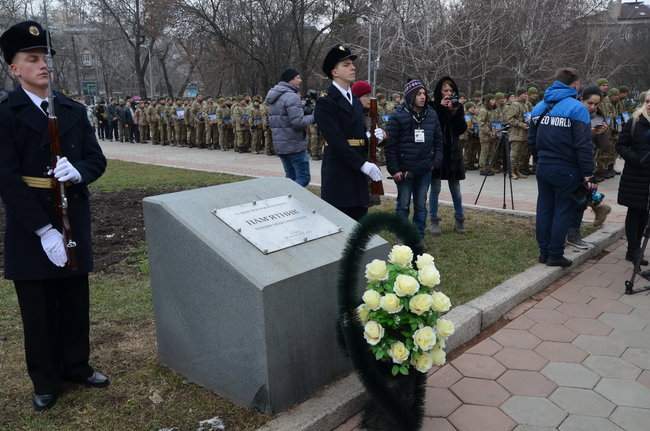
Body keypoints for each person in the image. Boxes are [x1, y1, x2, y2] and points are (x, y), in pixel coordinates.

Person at [0, 20, 109, 411]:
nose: (43, 64)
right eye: (33, 58)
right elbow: (6, 179)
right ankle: (45, 379)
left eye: (45, 56)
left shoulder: (72, 111)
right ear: (15, 69)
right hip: (32, 225)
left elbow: (97, 159)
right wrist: (44, 229)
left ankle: (75, 364)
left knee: (74, 298)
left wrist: (78, 170)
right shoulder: (6, 114)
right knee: (38, 306)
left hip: (72, 215)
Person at [529, 68, 594, 267]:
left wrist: (538, 160)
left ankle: (543, 252)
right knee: (563, 210)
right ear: (574, 85)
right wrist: (588, 173)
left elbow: (531, 139)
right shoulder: (577, 108)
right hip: (567, 169)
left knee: (544, 209)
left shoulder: (539, 107)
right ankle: (555, 254)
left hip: (543, 166)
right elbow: (583, 145)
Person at [314, 45, 384, 220]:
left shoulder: (354, 100)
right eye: (346, 64)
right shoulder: (326, 102)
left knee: (358, 222)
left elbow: (356, 133)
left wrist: (372, 138)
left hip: (358, 173)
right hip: (340, 173)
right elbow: (337, 142)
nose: (353, 67)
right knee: (342, 226)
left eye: (352, 64)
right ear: (334, 72)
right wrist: (363, 165)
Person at [385, 79, 443, 237]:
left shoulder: (431, 114)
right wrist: (394, 169)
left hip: (425, 169)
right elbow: (390, 146)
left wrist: (435, 162)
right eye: (419, 94)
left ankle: (418, 238)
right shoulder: (397, 115)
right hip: (404, 170)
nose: (423, 97)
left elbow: (439, 141)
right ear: (411, 96)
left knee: (421, 206)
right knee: (403, 205)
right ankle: (401, 238)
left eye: (424, 93)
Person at [567, 86, 612, 249]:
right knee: (576, 198)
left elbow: (605, 146)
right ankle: (597, 209)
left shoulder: (598, 116)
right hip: (572, 163)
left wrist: (603, 133)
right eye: (590, 103)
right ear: (581, 99)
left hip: (587, 163)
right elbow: (572, 141)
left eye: (596, 104)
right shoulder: (574, 114)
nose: (592, 107)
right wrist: (590, 133)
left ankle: (574, 233)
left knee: (582, 196)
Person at [429, 76, 468, 234]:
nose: (448, 93)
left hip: (453, 153)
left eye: (451, 90)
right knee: (435, 187)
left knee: (455, 188)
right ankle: (434, 220)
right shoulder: (432, 107)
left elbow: (461, 129)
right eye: (445, 90)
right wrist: (442, 109)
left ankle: (459, 219)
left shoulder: (457, 106)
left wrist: (455, 111)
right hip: (437, 152)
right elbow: (435, 125)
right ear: (439, 91)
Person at [265, 68, 314, 187]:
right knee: (303, 178)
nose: (300, 80)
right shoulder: (291, 96)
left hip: (281, 144)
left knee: (291, 178)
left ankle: (290, 202)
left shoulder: (274, 96)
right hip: (294, 145)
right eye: (298, 78)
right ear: (290, 80)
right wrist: (314, 116)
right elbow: (297, 122)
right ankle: (288, 199)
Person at [617, 90, 650, 266]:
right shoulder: (635, 122)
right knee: (635, 213)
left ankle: (637, 248)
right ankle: (633, 250)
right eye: (648, 101)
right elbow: (621, 145)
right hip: (635, 176)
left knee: (645, 214)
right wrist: (636, 159)